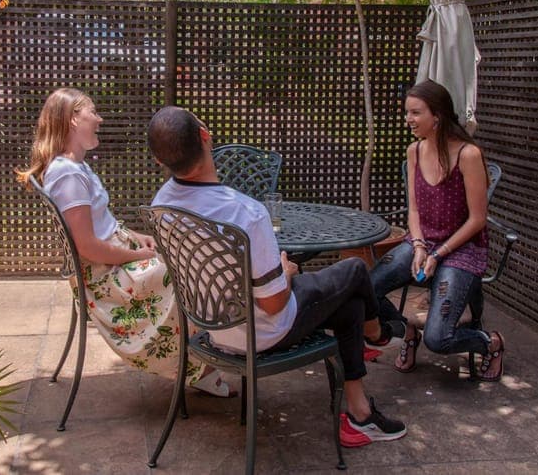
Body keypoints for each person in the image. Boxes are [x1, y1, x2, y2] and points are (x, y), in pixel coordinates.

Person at [147, 105, 407, 448]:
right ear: (205, 136)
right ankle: (378, 335)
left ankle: (360, 414)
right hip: (262, 333)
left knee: (349, 306)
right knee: (355, 271)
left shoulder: (161, 204)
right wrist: (285, 271)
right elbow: (272, 304)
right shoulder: (246, 213)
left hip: (215, 329)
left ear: (158, 160)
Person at [18, 88, 231, 396]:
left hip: (110, 260)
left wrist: (137, 239)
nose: (99, 118)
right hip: (104, 278)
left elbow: (102, 227)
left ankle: (200, 359)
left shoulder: (74, 167)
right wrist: (134, 257)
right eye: (92, 112)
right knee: (191, 271)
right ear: (74, 119)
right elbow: (87, 247)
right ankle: (203, 364)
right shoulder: (67, 175)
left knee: (187, 259)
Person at [369, 79, 505, 380]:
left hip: (462, 250)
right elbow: (414, 209)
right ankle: (406, 333)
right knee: (366, 289)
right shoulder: (414, 151)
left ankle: (491, 343)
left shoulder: (468, 155)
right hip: (422, 240)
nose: (408, 120)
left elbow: (478, 219)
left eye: (416, 113)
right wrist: (418, 247)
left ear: (438, 116)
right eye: (407, 113)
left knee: (439, 339)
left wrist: (437, 254)